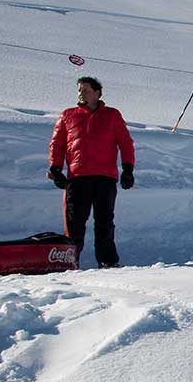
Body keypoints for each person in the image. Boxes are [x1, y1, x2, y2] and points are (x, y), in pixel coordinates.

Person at [48, 77, 135, 268]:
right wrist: (56, 168)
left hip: (105, 178)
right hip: (77, 178)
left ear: (97, 93)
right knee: (74, 222)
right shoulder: (68, 115)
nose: (81, 94)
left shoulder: (112, 115)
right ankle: (69, 262)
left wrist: (128, 168)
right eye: (79, 90)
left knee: (104, 221)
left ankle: (108, 261)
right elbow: (57, 144)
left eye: (86, 90)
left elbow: (125, 142)